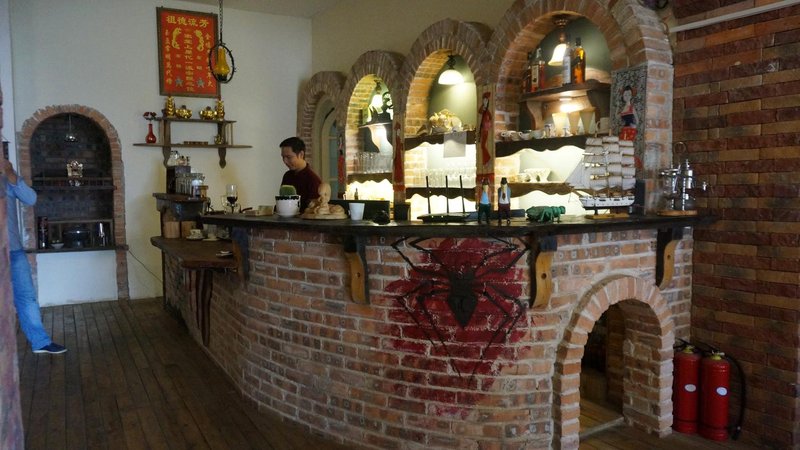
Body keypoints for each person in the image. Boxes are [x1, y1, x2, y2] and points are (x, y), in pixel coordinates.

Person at [3, 158, 66, 354]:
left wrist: (10, 172)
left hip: (13, 250)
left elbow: (31, 199)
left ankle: (40, 342)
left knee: (26, 297)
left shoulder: (6, 178)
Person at [279, 137, 321, 211]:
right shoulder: (287, 176)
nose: (285, 161)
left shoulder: (313, 180)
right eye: (283, 157)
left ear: (301, 154)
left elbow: (314, 210)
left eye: (289, 157)